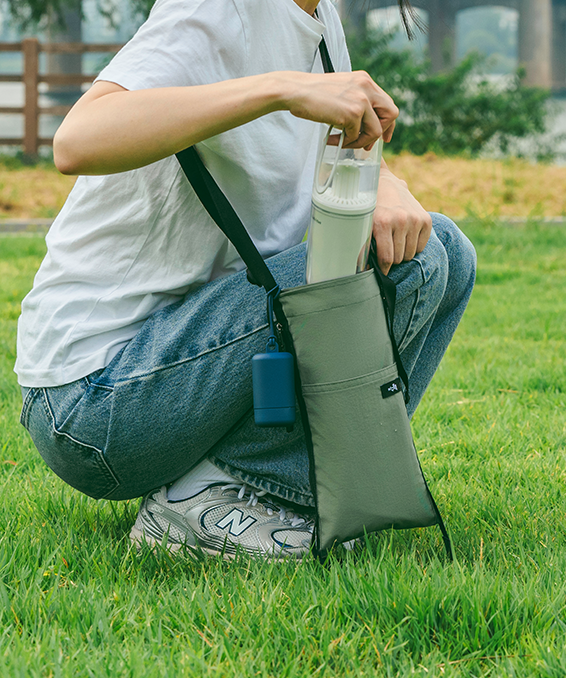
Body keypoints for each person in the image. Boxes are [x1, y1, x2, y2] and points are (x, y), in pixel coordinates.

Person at [15, 0, 475, 559]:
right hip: (94, 400)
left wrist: (385, 181)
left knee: (446, 249)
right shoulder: (219, 6)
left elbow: (331, 151)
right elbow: (78, 139)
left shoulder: (320, 18)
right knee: (408, 267)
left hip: (184, 367)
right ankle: (217, 497)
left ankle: (289, 490)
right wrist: (278, 88)